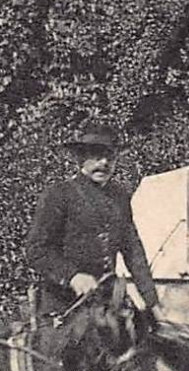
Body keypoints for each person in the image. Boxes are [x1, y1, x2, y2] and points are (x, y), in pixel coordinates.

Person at [25, 121, 160, 322]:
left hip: (106, 304)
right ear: (81, 159)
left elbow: (133, 251)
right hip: (63, 305)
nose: (104, 163)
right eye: (96, 155)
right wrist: (72, 276)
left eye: (110, 157)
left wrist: (152, 302)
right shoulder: (59, 194)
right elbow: (37, 250)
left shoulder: (120, 197)